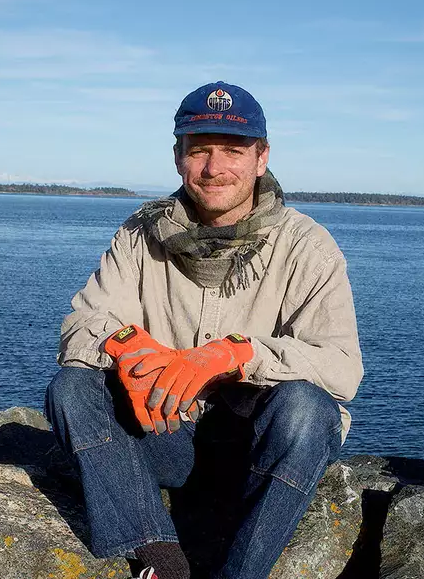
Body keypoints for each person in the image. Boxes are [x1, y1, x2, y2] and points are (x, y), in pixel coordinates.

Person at [45, 81, 363, 579]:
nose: (215, 168)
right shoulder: (138, 235)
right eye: (200, 151)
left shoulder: (308, 246)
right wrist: (123, 345)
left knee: (308, 409)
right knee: (73, 388)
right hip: (165, 432)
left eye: (233, 151)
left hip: (254, 449)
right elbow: (82, 325)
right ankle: (162, 562)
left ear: (261, 158)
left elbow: (342, 370)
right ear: (178, 157)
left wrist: (238, 354)